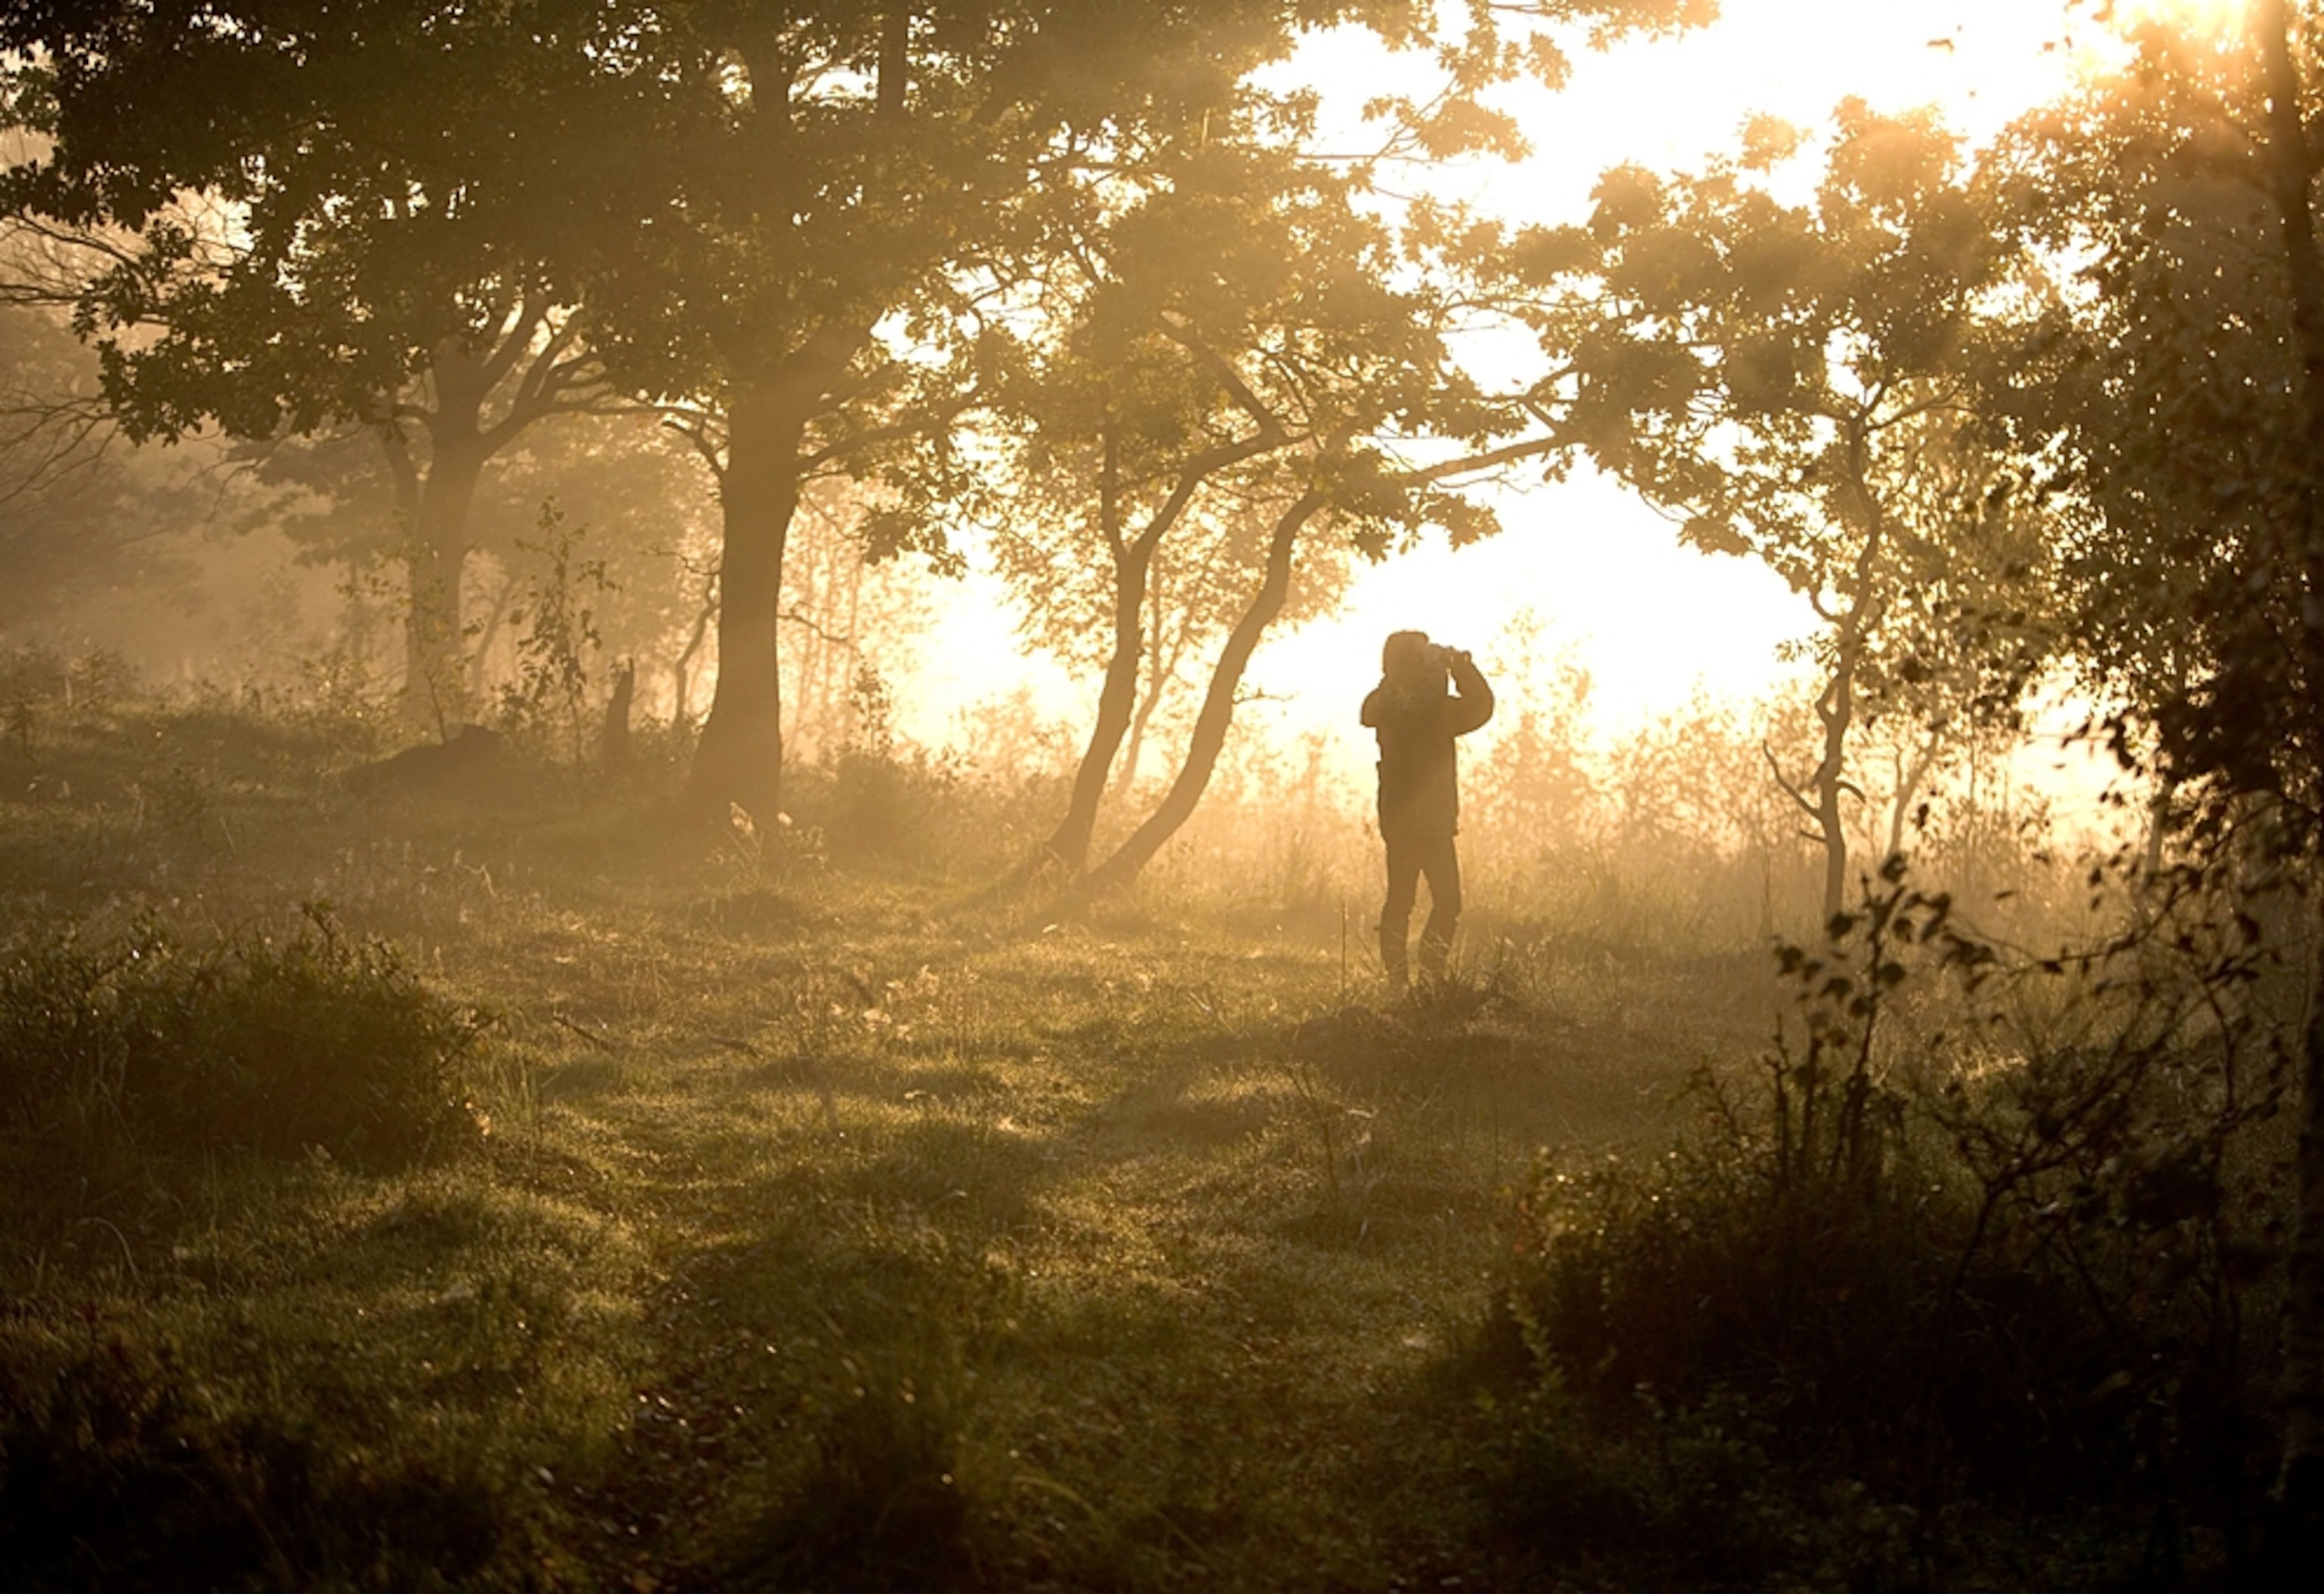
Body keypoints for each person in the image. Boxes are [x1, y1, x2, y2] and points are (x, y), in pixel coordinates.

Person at [1361, 630, 1493, 991]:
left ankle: (1423, 975)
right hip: (1414, 822)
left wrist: (1459, 667)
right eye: (1420, 657)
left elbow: (1480, 704)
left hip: (1427, 822)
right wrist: (1443, 670)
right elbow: (1429, 706)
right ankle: (1405, 978)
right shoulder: (1393, 703)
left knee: (1440, 902)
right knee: (1410, 900)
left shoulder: (1410, 703)